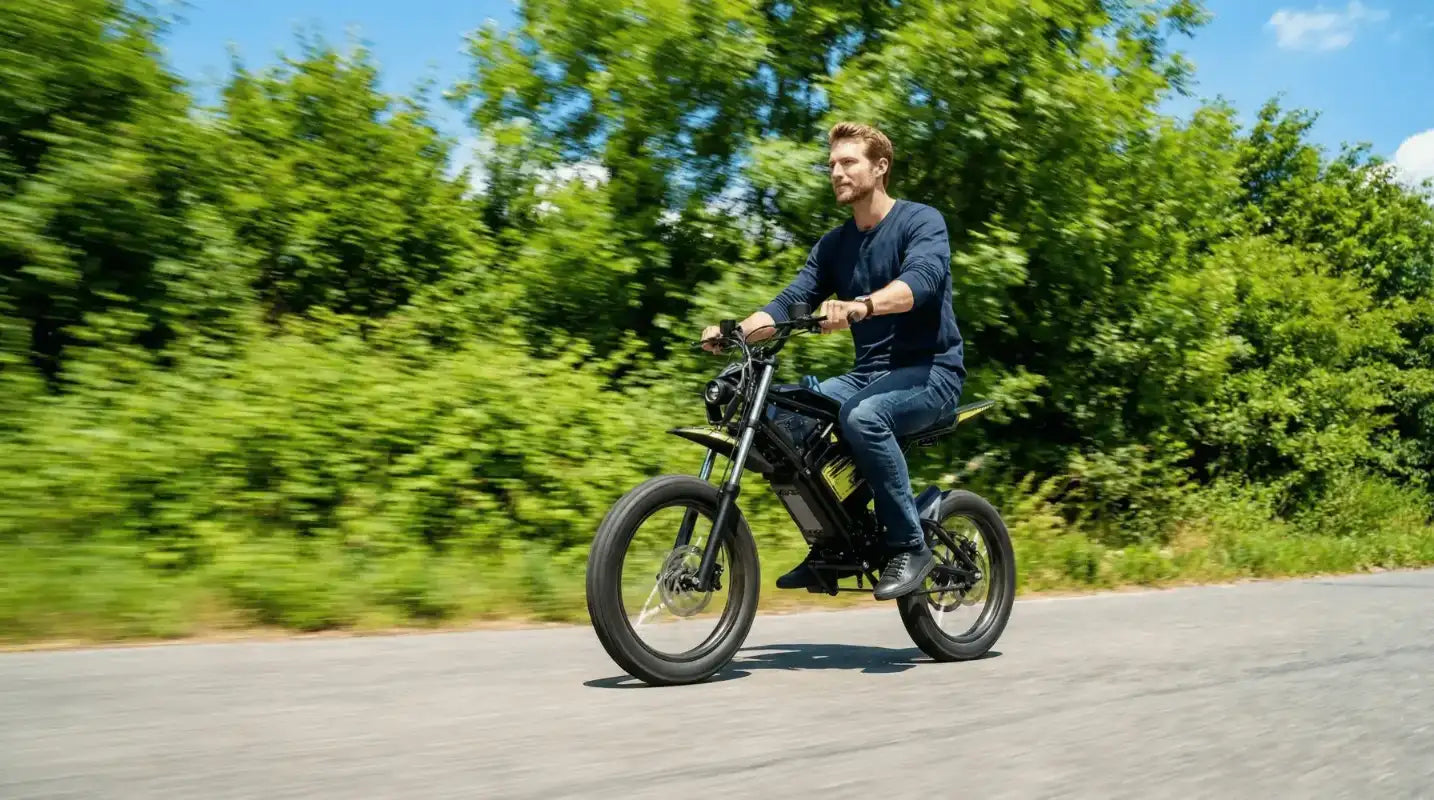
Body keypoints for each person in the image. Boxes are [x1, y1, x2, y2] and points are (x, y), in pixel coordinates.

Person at [699, 121, 966, 601]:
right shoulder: (834, 245)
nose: (837, 173)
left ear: (880, 167)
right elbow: (788, 302)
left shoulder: (921, 222)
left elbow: (921, 282)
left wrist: (861, 305)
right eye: (832, 166)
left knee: (861, 416)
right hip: (868, 375)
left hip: (931, 373)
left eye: (848, 163)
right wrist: (736, 331)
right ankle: (835, 543)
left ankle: (910, 544)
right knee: (782, 418)